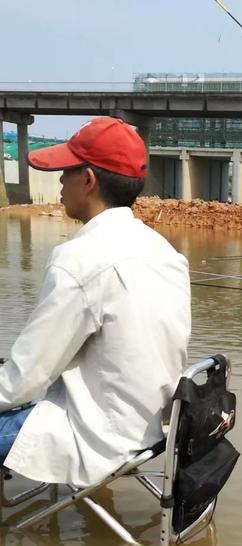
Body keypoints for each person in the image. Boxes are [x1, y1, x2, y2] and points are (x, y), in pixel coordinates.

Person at [0, 117, 191, 487]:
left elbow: (25, 380)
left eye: (65, 172)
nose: (58, 182)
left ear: (87, 180)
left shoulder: (79, 259)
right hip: (151, 429)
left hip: (97, 438)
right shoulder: (163, 250)